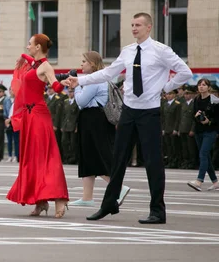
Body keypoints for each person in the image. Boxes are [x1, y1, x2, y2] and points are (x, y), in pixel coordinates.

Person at [66, 12, 192, 224]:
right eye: (132, 25)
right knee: (118, 159)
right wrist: (80, 81)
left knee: (153, 162)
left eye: (138, 25)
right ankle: (109, 204)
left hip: (149, 111)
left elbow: (185, 72)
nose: (134, 28)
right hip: (129, 110)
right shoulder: (128, 51)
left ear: (149, 27)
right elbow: (107, 73)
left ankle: (157, 211)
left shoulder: (161, 51)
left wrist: (165, 87)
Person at [6, 34, 69, 218]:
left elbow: (55, 86)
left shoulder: (46, 66)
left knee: (46, 156)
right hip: (29, 116)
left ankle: (59, 198)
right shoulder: (34, 64)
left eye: (30, 44)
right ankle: (40, 201)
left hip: (39, 116)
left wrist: (63, 83)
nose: (27, 47)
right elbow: (29, 59)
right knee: (31, 159)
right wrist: (23, 56)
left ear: (38, 47)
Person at [69, 51, 130, 208]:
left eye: (84, 61)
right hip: (94, 119)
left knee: (97, 155)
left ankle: (118, 187)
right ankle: (87, 197)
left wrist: (75, 87)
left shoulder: (95, 80)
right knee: (87, 156)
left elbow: (81, 101)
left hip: (94, 119)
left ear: (93, 64)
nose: (81, 64)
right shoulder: (97, 79)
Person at [187, 78, 219, 191]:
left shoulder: (214, 100)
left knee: (203, 153)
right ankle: (215, 182)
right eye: (199, 85)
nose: (201, 87)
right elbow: (193, 117)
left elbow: (217, 117)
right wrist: (197, 117)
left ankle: (199, 181)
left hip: (210, 131)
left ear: (208, 87)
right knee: (206, 157)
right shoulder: (196, 100)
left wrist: (209, 121)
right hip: (198, 130)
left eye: (204, 85)